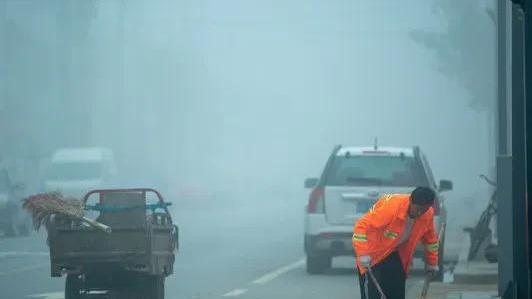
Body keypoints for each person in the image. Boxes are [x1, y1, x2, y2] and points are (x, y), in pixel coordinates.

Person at [352, 187, 440, 299]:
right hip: (372, 256)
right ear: (411, 201)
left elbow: (430, 240)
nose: (419, 213)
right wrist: (363, 254)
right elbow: (361, 226)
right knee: (373, 295)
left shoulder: (427, 214)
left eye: (424, 209)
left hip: (395, 254)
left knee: (396, 293)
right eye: (417, 208)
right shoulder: (391, 209)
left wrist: (432, 263)